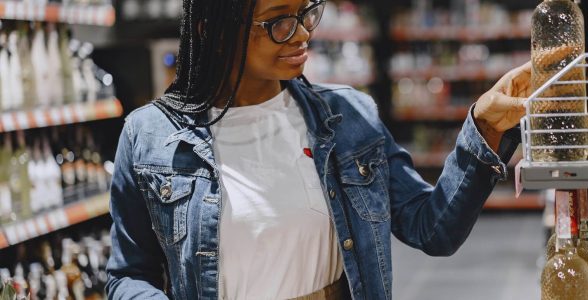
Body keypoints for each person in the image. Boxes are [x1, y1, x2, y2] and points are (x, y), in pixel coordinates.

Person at [104, 0, 531, 299]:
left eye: (305, 12)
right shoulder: (149, 139)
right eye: (278, 21)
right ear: (212, 32)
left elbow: (432, 228)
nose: (303, 32)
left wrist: (485, 127)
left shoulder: (348, 117)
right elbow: (128, 276)